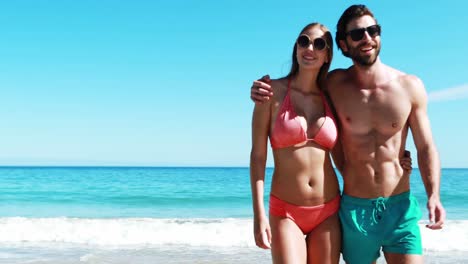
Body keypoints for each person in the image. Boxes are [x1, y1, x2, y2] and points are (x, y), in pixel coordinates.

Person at [250, 4, 445, 264]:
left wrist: (433, 194)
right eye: (357, 34)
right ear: (343, 45)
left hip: (386, 208)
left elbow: (426, 147)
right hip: (349, 210)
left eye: (372, 30)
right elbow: (260, 152)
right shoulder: (329, 86)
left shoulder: (407, 86)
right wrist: (259, 89)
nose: (366, 38)